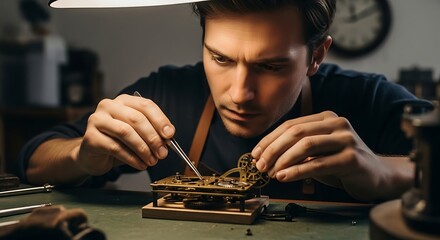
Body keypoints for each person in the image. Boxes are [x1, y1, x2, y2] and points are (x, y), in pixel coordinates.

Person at [17, 0, 431, 202]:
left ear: (316, 56)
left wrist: (383, 172)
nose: (239, 93)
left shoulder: (368, 99)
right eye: (221, 58)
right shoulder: (166, 92)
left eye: (270, 66)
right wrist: (82, 156)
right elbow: (33, 159)